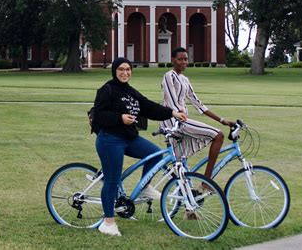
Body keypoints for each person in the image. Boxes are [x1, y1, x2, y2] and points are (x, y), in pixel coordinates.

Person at [92, 57, 187, 237]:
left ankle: (145, 186)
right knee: (112, 180)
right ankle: (108, 223)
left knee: (156, 154)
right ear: (114, 71)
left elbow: (149, 107)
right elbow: (99, 116)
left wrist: (173, 113)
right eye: (121, 69)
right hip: (110, 139)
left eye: (128, 69)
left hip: (129, 138)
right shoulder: (107, 89)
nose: (125, 72)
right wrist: (120, 118)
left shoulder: (131, 92)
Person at [161, 47, 234, 180]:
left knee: (180, 165)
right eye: (180, 59)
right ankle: (207, 181)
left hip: (182, 120)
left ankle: (183, 189)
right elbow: (172, 102)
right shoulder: (169, 76)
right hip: (174, 122)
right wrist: (180, 114)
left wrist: (222, 120)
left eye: (186, 59)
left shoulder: (184, 79)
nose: (184, 62)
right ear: (173, 60)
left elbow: (198, 104)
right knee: (218, 136)